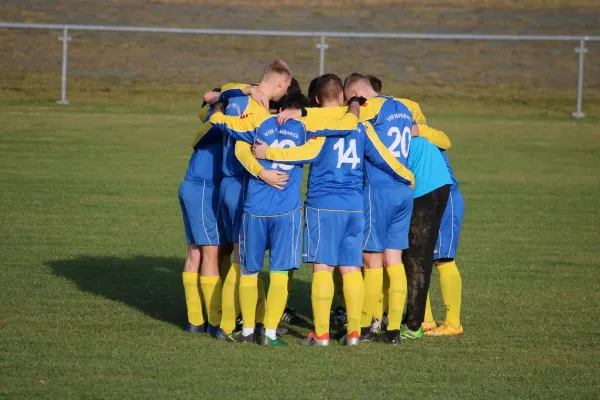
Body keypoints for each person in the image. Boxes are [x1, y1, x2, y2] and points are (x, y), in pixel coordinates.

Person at [253, 74, 415, 346]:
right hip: (354, 207)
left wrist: (269, 153)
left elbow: (306, 153)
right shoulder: (361, 126)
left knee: (323, 269)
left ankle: (321, 335)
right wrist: (406, 175)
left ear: (316, 99)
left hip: (323, 205)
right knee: (351, 269)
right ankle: (354, 333)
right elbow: (383, 156)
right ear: (343, 96)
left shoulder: (315, 123)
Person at [210, 91, 362, 345]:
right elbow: (338, 132)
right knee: (279, 273)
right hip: (287, 212)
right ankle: (269, 334)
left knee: (248, 271)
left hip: (254, 209)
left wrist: (217, 105)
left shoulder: (258, 124)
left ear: (280, 110)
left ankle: (247, 331)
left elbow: (225, 130)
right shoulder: (309, 128)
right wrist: (354, 103)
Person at [210, 60, 293, 339]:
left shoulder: (237, 97)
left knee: (239, 255)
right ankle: (228, 324)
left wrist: (243, 89)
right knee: (241, 258)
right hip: (244, 184)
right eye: (287, 87)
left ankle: (245, 319)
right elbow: (244, 151)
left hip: (226, 184)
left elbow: (216, 93)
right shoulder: (257, 112)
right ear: (280, 83)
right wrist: (263, 172)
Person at [178, 102, 225, 335]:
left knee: (195, 251)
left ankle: (194, 320)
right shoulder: (221, 123)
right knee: (210, 253)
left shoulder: (210, 117)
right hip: (204, 188)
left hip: (190, 185)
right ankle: (214, 322)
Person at [400, 136, 452, 339]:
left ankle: (413, 325)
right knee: (421, 255)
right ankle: (416, 320)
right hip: (442, 186)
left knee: (415, 257)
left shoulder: (396, 136)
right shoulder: (422, 136)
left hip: (423, 191)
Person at [423, 148, 465, 336]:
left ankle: (453, 323)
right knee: (416, 259)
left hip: (444, 200)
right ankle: (425, 320)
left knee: (442, 258)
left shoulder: (424, 135)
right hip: (424, 199)